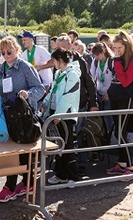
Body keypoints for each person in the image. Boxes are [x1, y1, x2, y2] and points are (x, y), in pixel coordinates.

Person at [0, 36, 46, 202]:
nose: (6, 55)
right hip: (7, 117)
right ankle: (15, 185)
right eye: (3, 52)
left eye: (9, 51)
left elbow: (40, 88)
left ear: (17, 50)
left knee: (26, 152)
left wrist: (28, 94)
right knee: (11, 152)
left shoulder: (26, 67)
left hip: (24, 118)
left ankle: (20, 185)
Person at [105, 31, 133, 178]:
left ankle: (129, 166)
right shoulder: (119, 59)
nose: (117, 51)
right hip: (115, 97)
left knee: (121, 133)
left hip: (125, 98)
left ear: (126, 46)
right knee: (117, 132)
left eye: (119, 48)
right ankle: (122, 163)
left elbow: (126, 81)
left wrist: (117, 61)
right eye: (115, 48)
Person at [44, 48, 82, 185]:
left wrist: (59, 114)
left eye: (53, 60)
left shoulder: (72, 75)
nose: (52, 63)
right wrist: (45, 104)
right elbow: (53, 92)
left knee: (67, 146)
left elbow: (69, 97)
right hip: (56, 114)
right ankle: (61, 174)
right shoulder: (59, 73)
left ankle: (72, 176)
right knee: (60, 146)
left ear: (59, 60)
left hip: (65, 116)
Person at [90, 43, 115, 131]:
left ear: (103, 52)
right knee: (101, 117)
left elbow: (114, 79)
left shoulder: (112, 61)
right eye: (94, 55)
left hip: (109, 94)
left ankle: (110, 134)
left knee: (108, 117)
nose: (96, 57)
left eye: (97, 54)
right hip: (99, 92)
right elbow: (92, 77)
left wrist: (108, 93)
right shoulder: (95, 62)